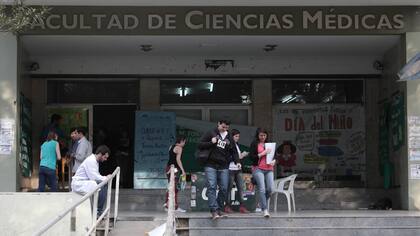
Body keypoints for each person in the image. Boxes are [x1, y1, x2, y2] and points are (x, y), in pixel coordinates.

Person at [198, 120, 240, 220]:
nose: (224, 129)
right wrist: (210, 142)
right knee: (212, 186)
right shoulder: (211, 132)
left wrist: (237, 161)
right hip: (210, 164)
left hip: (224, 165)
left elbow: (234, 151)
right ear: (218, 124)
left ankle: (219, 208)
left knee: (224, 188)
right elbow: (200, 145)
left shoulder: (229, 136)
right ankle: (214, 210)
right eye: (223, 127)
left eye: (226, 128)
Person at [71, 145, 112, 217]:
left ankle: (98, 210)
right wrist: (106, 178)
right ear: (100, 154)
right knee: (102, 184)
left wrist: (105, 178)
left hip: (85, 182)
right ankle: (98, 211)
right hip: (79, 184)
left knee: (102, 184)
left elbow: (96, 175)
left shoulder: (95, 161)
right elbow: (94, 177)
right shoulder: (91, 160)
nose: (105, 159)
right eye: (105, 157)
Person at [249, 128, 277, 218]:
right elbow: (251, 157)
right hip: (258, 168)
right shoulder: (254, 144)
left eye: (264, 135)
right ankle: (265, 210)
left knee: (271, 189)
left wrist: (274, 160)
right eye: (261, 135)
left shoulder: (269, 144)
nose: (263, 137)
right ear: (258, 135)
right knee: (262, 188)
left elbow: (275, 155)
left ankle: (260, 204)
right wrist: (262, 153)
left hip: (269, 168)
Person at [224, 129, 250, 214]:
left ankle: (242, 206)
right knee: (229, 188)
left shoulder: (237, 145)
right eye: (236, 136)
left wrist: (241, 156)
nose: (237, 138)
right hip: (230, 169)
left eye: (238, 136)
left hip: (238, 169)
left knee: (241, 188)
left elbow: (237, 157)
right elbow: (227, 158)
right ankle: (227, 206)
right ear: (232, 136)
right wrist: (239, 156)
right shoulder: (227, 145)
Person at [164, 135, 187, 213]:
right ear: (181, 141)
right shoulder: (179, 148)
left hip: (168, 168)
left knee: (171, 186)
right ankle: (174, 207)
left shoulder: (171, 146)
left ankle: (167, 204)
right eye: (184, 142)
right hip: (174, 169)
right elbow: (178, 160)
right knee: (175, 188)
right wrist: (183, 171)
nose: (184, 144)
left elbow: (171, 158)